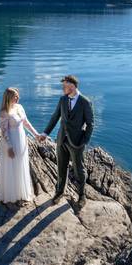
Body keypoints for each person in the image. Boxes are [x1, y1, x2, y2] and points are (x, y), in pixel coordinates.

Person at [38, 75, 94, 209]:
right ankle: (59, 192)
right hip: (61, 139)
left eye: (65, 86)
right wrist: (45, 133)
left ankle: (81, 196)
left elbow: (90, 124)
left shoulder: (85, 102)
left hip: (77, 142)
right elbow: (55, 117)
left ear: (73, 86)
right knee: (61, 167)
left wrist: (84, 141)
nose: (63, 88)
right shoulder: (62, 100)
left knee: (79, 170)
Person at [0, 87, 39, 206]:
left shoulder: (19, 107)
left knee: (21, 164)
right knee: (12, 167)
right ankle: (12, 195)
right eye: (15, 96)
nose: (18, 98)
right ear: (9, 97)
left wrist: (36, 134)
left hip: (21, 140)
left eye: (18, 95)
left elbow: (26, 122)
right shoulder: (4, 112)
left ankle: (22, 194)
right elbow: (4, 132)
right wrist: (9, 147)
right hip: (11, 142)